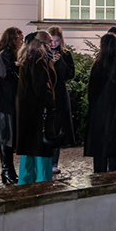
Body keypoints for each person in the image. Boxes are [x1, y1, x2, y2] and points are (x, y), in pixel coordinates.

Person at [15, 32, 59, 184]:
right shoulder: (39, 58)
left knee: (28, 150)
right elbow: (43, 86)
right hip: (39, 111)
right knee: (41, 148)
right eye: (49, 42)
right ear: (43, 43)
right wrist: (50, 105)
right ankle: (43, 183)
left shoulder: (28, 56)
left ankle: (26, 182)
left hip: (27, 111)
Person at [84, 33, 116, 173]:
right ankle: (113, 174)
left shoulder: (97, 64)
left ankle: (99, 174)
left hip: (99, 110)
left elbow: (91, 90)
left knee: (100, 149)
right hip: (115, 109)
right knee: (113, 147)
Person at [0, 27, 22, 185]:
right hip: (4, 103)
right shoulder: (4, 55)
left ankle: (7, 170)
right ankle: (7, 170)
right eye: (19, 38)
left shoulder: (10, 55)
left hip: (10, 102)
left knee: (9, 138)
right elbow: (5, 77)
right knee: (6, 138)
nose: (21, 42)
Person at [45, 26, 75, 174]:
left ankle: (54, 162)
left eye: (57, 40)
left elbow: (69, 74)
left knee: (57, 128)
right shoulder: (43, 53)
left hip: (60, 94)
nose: (54, 44)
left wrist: (59, 62)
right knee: (49, 127)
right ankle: (46, 162)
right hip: (48, 93)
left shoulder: (65, 54)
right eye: (52, 40)